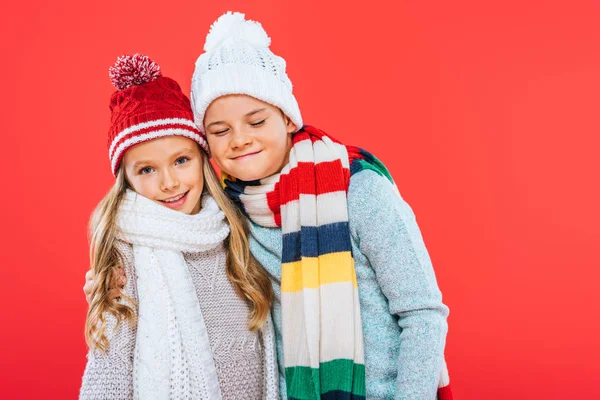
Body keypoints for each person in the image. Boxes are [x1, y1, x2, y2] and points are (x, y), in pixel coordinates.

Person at [190, 12, 453, 400]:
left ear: (287, 118)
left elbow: (423, 313)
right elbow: (170, 249)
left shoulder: (358, 190)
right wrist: (110, 278)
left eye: (257, 121)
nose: (240, 139)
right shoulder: (227, 214)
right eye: (220, 130)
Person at [79, 53, 278, 400]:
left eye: (181, 160)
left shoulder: (235, 227)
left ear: (202, 158)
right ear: (126, 180)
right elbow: (108, 372)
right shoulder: (126, 256)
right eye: (147, 170)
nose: (169, 182)